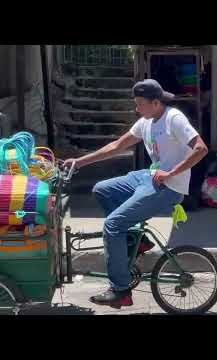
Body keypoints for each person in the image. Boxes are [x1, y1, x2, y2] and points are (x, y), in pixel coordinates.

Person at [63, 79, 208, 309]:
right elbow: (116, 147)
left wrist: (171, 172)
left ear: (156, 102)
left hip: (168, 187)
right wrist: (78, 162)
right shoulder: (146, 122)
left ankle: (120, 290)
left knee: (112, 225)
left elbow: (201, 148)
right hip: (148, 178)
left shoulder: (173, 119)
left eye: (140, 103)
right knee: (102, 190)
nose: (136, 108)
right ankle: (134, 240)